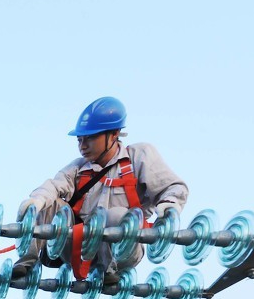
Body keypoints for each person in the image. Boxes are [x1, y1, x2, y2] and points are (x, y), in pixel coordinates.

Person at [13, 97, 188, 284]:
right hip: (81, 248)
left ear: (114, 134)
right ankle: (26, 263)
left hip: (123, 248)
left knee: (117, 215)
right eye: (80, 140)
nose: (83, 146)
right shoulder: (78, 168)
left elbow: (175, 187)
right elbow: (54, 186)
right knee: (50, 204)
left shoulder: (139, 157)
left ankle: (108, 272)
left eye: (90, 138)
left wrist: (169, 207)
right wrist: (37, 201)